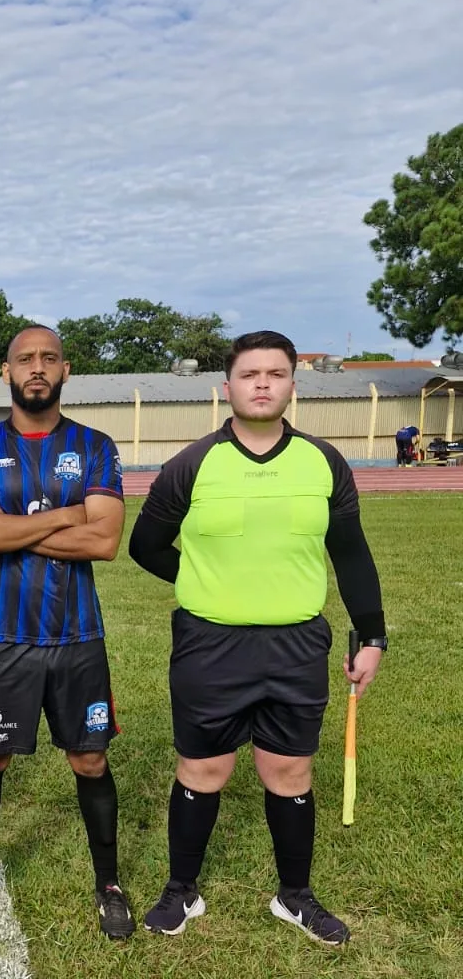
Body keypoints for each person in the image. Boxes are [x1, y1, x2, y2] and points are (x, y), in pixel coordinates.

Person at [128, 330, 386, 946]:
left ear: (293, 384)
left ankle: (294, 896)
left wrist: (373, 636)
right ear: (228, 387)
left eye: (275, 373)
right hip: (210, 645)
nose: (262, 384)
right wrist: (203, 579)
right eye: (250, 374)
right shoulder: (192, 464)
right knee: (203, 767)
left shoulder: (324, 462)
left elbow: (351, 555)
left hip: (296, 645)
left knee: (289, 770)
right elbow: (145, 545)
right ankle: (181, 890)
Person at [0, 326, 130, 941]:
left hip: (77, 636)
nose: (37, 367)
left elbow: (105, 541)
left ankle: (109, 884)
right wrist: (67, 515)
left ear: (65, 370)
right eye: (25, 359)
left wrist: (13, 527)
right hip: (1, 636)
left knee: (90, 758)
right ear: (6, 372)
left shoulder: (95, 446)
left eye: (49, 358)